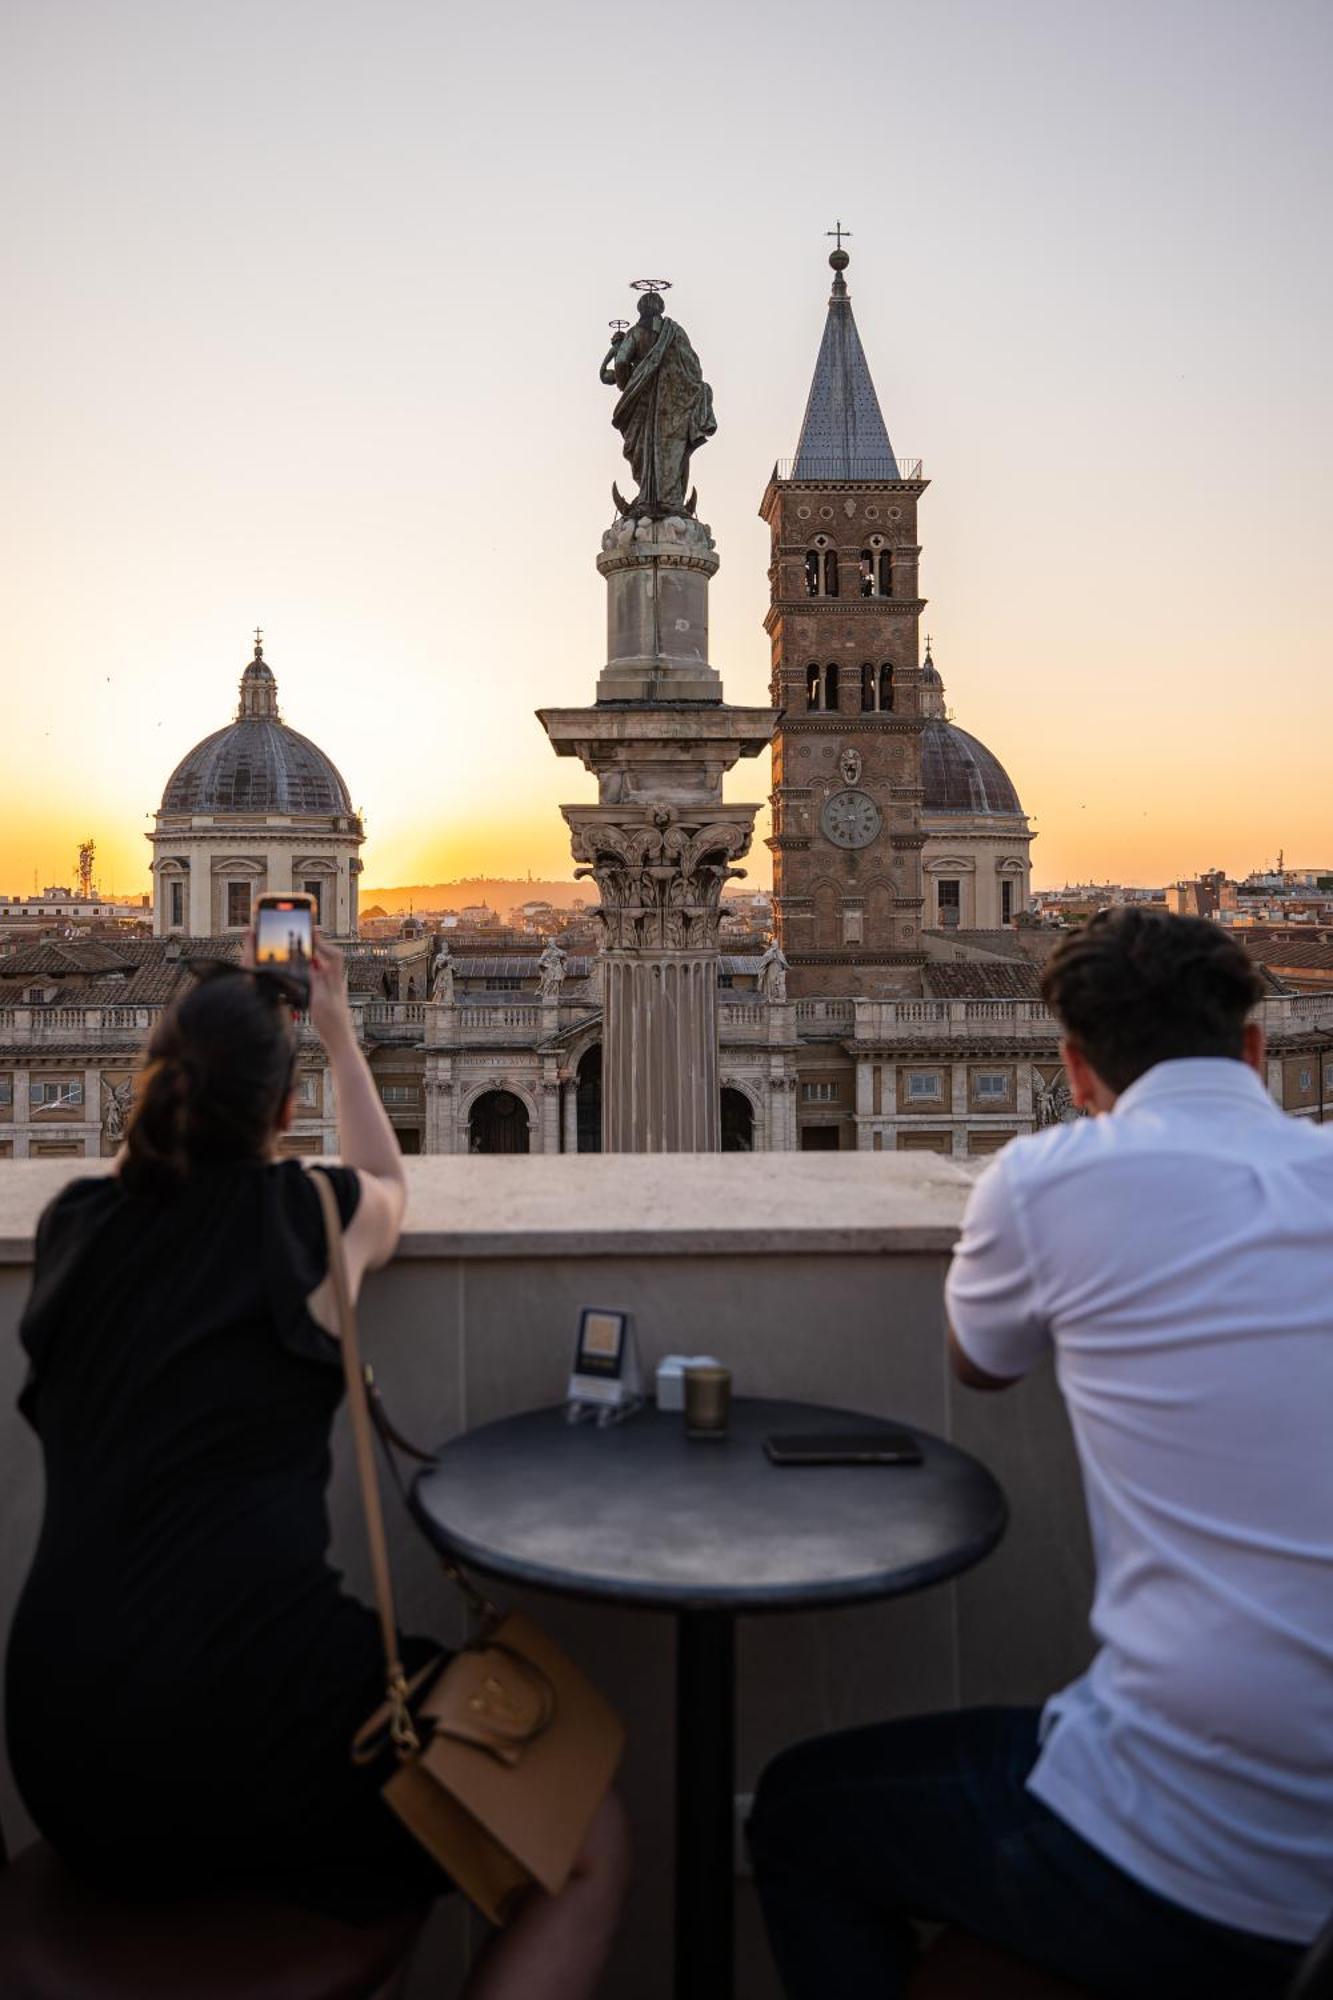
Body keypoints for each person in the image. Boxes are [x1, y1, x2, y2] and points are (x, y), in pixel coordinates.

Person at [5, 932, 628, 1999]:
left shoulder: (71, 1228)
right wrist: (339, 1032)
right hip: (243, 1726)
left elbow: (148, 1205)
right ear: (284, 1112)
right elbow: (386, 1178)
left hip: (59, 1751)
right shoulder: (303, 1218)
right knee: (586, 1834)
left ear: (150, 1085)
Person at [749, 910, 1332, 1999]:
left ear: (1072, 1066)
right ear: (1255, 1050)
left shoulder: (1044, 1179)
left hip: (1201, 1825)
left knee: (797, 1816)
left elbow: (981, 1360)